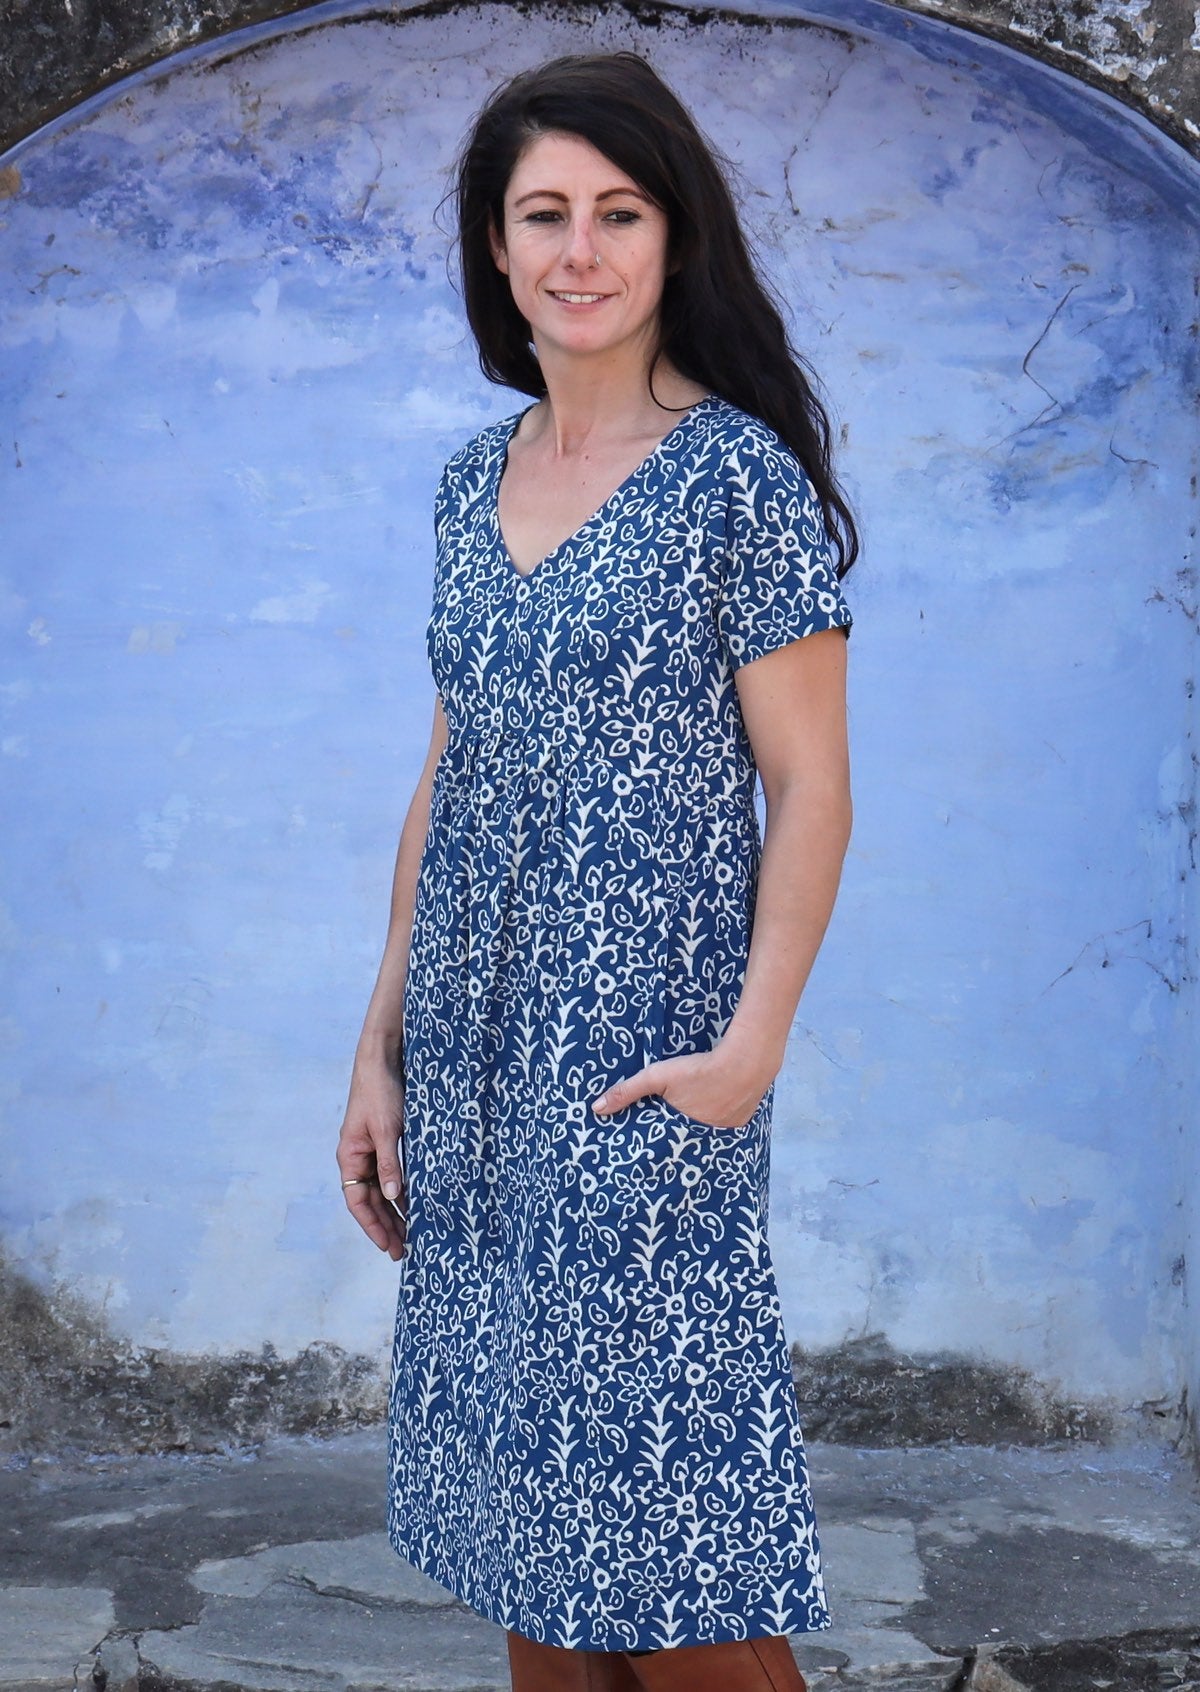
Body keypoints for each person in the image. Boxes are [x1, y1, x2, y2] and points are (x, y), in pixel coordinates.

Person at [336, 48, 858, 1692]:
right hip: (475, 1061)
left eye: (619, 212)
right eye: (543, 213)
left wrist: (751, 1051)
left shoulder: (734, 480)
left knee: (666, 1539)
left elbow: (812, 785)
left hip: (647, 1064)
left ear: (674, 238)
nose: (581, 249)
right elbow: (450, 773)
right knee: (534, 1538)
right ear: (495, 249)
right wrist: (379, 1048)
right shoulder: (466, 483)